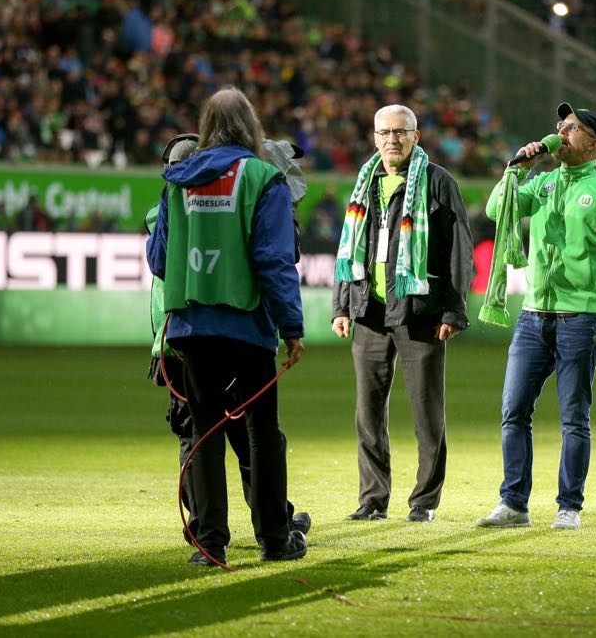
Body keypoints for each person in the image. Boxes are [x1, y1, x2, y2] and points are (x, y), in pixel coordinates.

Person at [146, 88, 308, 566]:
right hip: (248, 327)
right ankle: (275, 540)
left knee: (204, 433)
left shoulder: (177, 181)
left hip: (191, 328)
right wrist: (291, 328)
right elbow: (274, 261)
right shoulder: (263, 177)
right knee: (262, 433)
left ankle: (209, 544)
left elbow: (158, 259)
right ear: (251, 126)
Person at [475, 102, 596, 531]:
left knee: (573, 418)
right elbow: (496, 211)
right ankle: (513, 504)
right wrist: (516, 168)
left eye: (573, 128)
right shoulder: (543, 182)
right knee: (513, 411)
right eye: (560, 125)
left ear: (593, 143)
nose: (562, 133)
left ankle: (569, 507)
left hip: (581, 318)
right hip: (532, 316)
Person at [331, 104, 473, 524]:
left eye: (400, 132)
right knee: (368, 414)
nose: (392, 139)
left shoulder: (437, 182)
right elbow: (349, 247)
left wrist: (453, 309)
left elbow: (459, 251)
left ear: (415, 136)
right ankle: (373, 500)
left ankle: (424, 502)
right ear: (374, 137)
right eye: (384, 132)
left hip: (420, 313)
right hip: (369, 311)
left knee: (427, 413)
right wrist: (342, 305)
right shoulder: (365, 181)